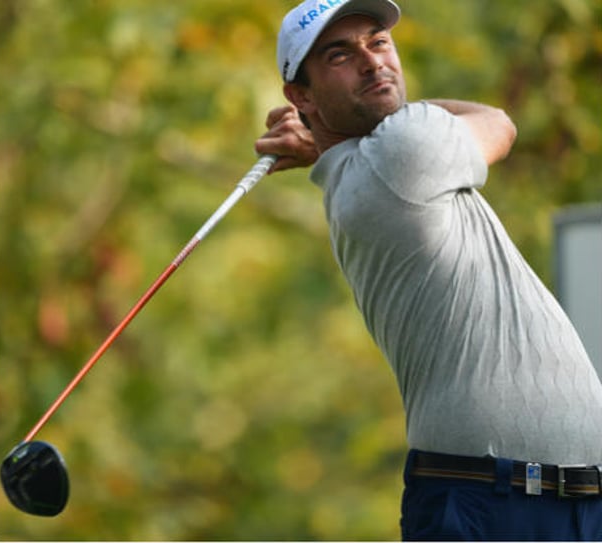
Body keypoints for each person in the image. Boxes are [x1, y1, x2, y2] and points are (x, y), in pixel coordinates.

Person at [255, 1, 602, 540]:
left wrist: (321, 127)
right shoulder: (400, 154)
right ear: (300, 96)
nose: (372, 62)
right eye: (340, 55)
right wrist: (332, 128)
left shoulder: (380, 159)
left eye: (378, 41)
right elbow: (498, 123)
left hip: (553, 501)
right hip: (489, 502)